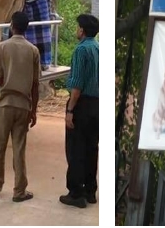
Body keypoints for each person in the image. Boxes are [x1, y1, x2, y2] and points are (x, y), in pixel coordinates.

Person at [0, 11, 40, 203]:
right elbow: (35, 84)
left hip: (4, 104)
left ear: (11, 26)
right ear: (26, 28)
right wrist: (34, 110)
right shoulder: (33, 50)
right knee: (19, 149)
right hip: (23, 105)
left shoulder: (1, 47)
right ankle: (19, 191)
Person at [59, 14, 99, 208]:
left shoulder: (81, 50)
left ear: (82, 30)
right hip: (97, 105)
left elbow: (76, 86)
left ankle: (76, 193)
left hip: (82, 104)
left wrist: (70, 110)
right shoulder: (99, 49)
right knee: (92, 148)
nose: (76, 30)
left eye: (77, 27)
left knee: (76, 149)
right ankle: (91, 191)